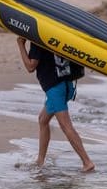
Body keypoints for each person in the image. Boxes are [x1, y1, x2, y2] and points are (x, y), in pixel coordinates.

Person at [17, 37, 95, 173]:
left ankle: (87, 162)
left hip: (55, 89)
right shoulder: (54, 35)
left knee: (66, 126)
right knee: (43, 120)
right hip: (67, 85)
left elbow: (30, 66)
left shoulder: (37, 40)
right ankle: (40, 161)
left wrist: (20, 44)